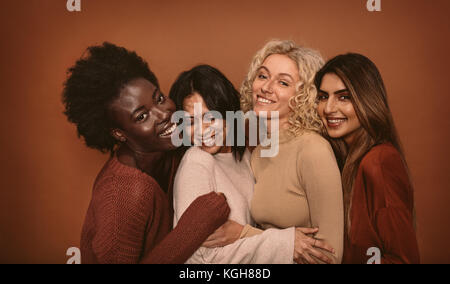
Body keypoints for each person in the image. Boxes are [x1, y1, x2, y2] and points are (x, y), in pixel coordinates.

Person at [62, 42, 230, 264]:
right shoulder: (124, 194)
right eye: (142, 117)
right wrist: (192, 228)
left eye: (159, 98)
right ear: (119, 134)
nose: (163, 114)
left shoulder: (174, 148)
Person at [170, 65, 334, 264]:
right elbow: (202, 257)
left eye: (210, 117)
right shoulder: (196, 160)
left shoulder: (246, 158)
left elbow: (248, 231)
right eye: (190, 122)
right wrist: (285, 243)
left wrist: (251, 235)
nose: (201, 130)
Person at [239, 40, 344, 264]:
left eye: (283, 83)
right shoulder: (259, 152)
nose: (266, 87)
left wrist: (241, 233)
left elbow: (329, 255)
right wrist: (280, 242)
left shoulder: (313, 150)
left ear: (303, 95)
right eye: (263, 76)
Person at [314, 53, 420, 264]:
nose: (328, 108)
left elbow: (403, 260)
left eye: (344, 97)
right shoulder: (345, 159)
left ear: (367, 100)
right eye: (324, 96)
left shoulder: (379, 161)